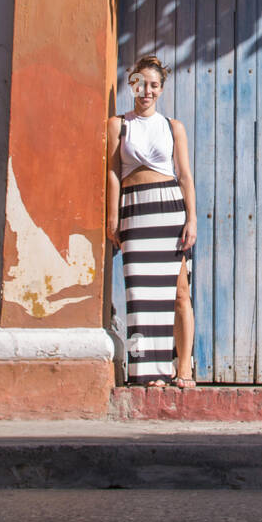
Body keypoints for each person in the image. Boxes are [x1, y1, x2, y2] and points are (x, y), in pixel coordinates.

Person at [106, 55, 197, 388]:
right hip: (134, 209)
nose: (147, 91)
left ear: (161, 88)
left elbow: (185, 176)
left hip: (169, 209)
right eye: (141, 83)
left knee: (178, 293)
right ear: (132, 85)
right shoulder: (118, 124)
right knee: (141, 295)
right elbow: (114, 172)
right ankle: (148, 372)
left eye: (154, 85)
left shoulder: (173, 127)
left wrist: (192, 219)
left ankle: (183, 368)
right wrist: (113, 216)